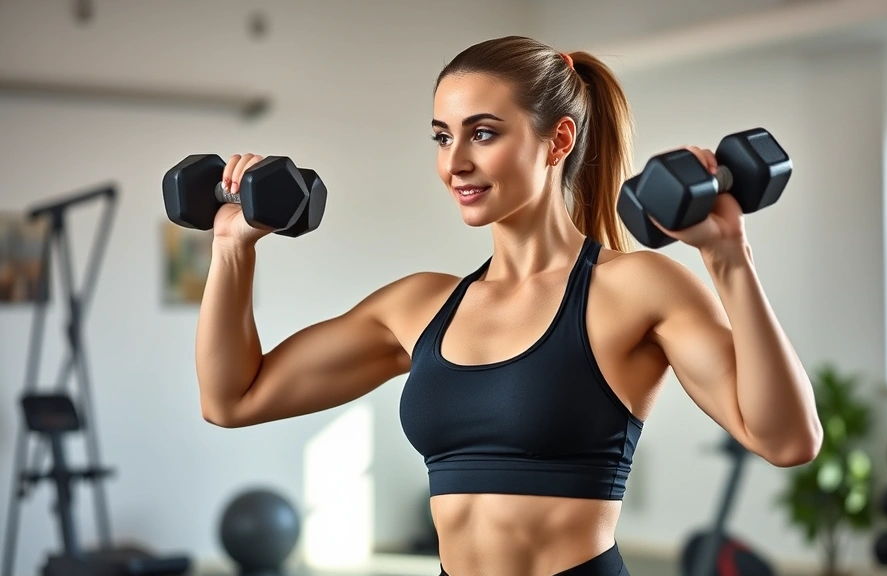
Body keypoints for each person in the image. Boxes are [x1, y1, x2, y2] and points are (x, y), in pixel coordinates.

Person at [195, 35, 822, 576]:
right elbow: (233, 399)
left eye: (483, 133)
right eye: (443, 137)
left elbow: (789, 439)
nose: (455, 163)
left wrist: (727, 256)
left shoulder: (634, 288)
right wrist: (231, 248)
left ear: (558, 141)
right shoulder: (419, 305)